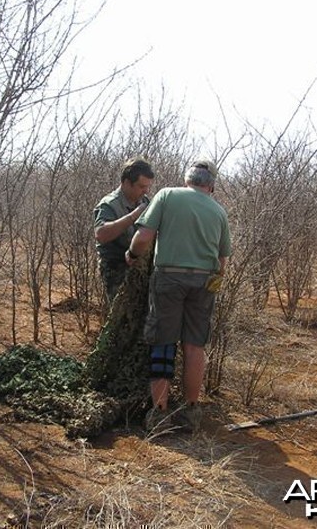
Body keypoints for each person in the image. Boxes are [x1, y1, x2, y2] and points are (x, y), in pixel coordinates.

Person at [125, 159, 231, 433]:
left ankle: (160, 414)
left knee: (163, 341)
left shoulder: (168, 195)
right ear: (211, 185)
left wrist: (132, 255)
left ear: (188, 179)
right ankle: (191, 411)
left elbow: (144, 237)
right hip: (205, 281)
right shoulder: (219, 211)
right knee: (195, 345)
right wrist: (210, 287)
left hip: (169, 278)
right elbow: (222, 262)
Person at [94, 156, 155, 303]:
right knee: (122, 317)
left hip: (141, 267)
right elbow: (101, 234)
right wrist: (134, 216)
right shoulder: (109, 204)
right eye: (141, 186)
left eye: (148, 187)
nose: (145, 191)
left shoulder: (145, 201)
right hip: (116, 269)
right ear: (127, 182)